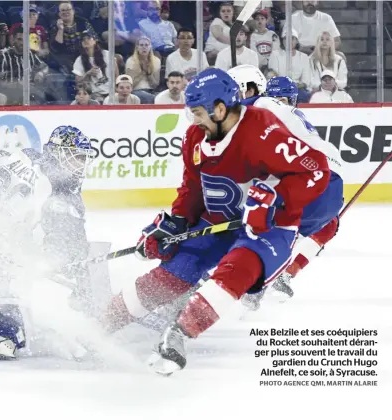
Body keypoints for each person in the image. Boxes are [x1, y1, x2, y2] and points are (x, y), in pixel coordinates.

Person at [100, 68, 331, 375]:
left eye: (198, 112)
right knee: (175, 273)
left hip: (267, 226)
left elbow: (316, 171)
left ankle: (180, 334)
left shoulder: (262, 130)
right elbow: (193, 188)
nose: (193, 120)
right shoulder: (195, 136)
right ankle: (102, 323)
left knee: (238, 268)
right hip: (218, 220)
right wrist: (176, 222)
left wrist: (277, 199)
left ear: (220, 109)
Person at [0, 126, 100, 359]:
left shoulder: (30, 163)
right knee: (10, 282)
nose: (81, 164)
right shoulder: (50, 188)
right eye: (77, 157)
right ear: (58, 154)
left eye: (84, 159)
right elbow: (63, 241)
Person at [226, 68, 344, 309]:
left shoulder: (262, 107)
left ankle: (242, 281)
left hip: (306, 182)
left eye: (284, 100)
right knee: (320, 225)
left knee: (257, 231)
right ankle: (277, 275)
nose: (280, 103)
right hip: (329, 184)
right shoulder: (294, 119)